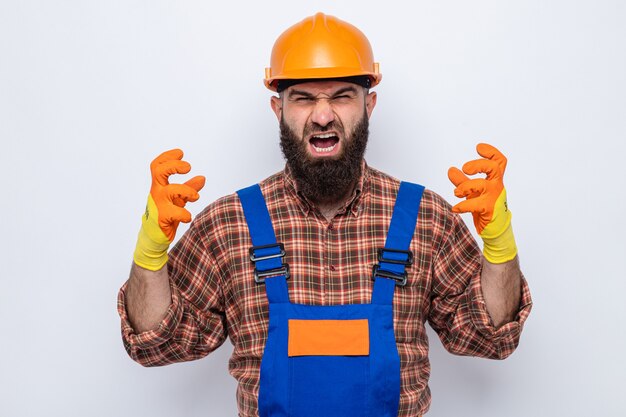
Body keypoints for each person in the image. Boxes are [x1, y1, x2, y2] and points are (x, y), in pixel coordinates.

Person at [118, 12, 532, 417]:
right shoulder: (229, 224)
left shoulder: (425, 217)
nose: (322, 115)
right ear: (277, 109)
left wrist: (499, 245)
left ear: (368, 104)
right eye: (303, 98)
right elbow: (158, 344)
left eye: (341, 96)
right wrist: (150, 253)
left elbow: (488, 338)